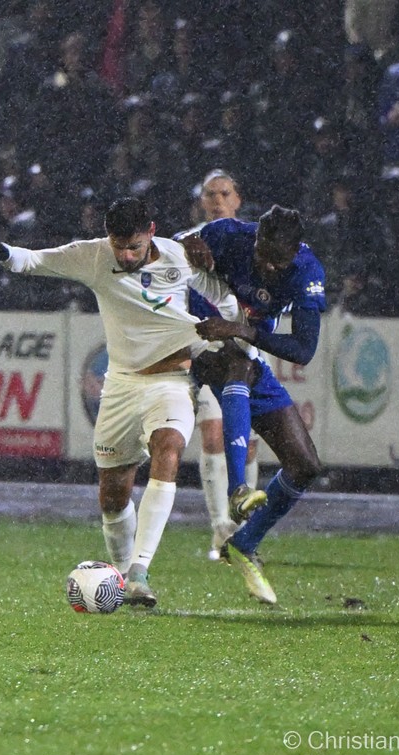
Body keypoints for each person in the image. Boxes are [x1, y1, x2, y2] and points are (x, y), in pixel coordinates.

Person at [0, 196, 237, 607]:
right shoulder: (95, 256)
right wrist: (4, 253)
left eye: (134, 246)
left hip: (171, 382)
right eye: (120, 247)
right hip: (119, 386)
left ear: (151, 232)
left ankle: (139, 571)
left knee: (168, 449)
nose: (127, 255)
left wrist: (233, 331)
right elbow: (38, 260)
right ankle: (122, 577)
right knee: (114, 497)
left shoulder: (180, 256)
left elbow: (224, 297)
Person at [180, 204, 326, 604]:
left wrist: (242, 331)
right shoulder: (230, 234)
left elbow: (303, 350)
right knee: (238, 367)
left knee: (305, 465)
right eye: (261, 253)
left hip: (242, 340)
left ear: (294, 252)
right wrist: (187, 241)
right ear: (255, 237)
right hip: (195, 335)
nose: (266, 266)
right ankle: (238, 490)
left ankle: (244, 543)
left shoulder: (307, 272)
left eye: (277, 260)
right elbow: (166, 250)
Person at [173, 170, 260, 560]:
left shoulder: (253, 241)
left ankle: (245, 531)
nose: (217, 200)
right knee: (212, 435)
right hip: (204, 350)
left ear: (237, 199)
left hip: (245, 346)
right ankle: (220, 529)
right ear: (201, 201)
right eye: (210, 194)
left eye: (225, 193)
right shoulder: (184, 242)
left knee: (248, 445)